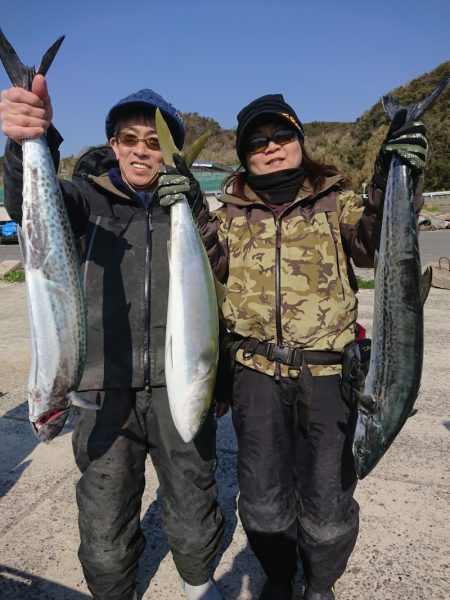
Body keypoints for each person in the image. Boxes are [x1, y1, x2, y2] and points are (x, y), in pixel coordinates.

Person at [176, 94, 426, 600]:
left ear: (300, 141)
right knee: (264, 498)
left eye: (282, 136)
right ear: (244, 154)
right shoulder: (229, 215)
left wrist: (393, 172)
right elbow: (208, 266)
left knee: (329, 499)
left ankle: (320, 583)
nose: (271, 148)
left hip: (331, 376)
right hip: (255, 375)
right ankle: (277, 575)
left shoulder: (338, 201)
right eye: (257, 142)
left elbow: (375, 242)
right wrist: (190, 205)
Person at [0, 77, 225, 600]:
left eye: (155, 141)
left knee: (194, 500)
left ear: (170, 150)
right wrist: (26, 141)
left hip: (179, 386)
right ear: (113, 145)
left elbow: (222, 275)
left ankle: (197, 583)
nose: (142, 151)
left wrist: (190, 200)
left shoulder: (190, 209)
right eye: (130, 139)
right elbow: (28, 203)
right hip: (103, 390)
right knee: (104, 520)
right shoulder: (85, 202)